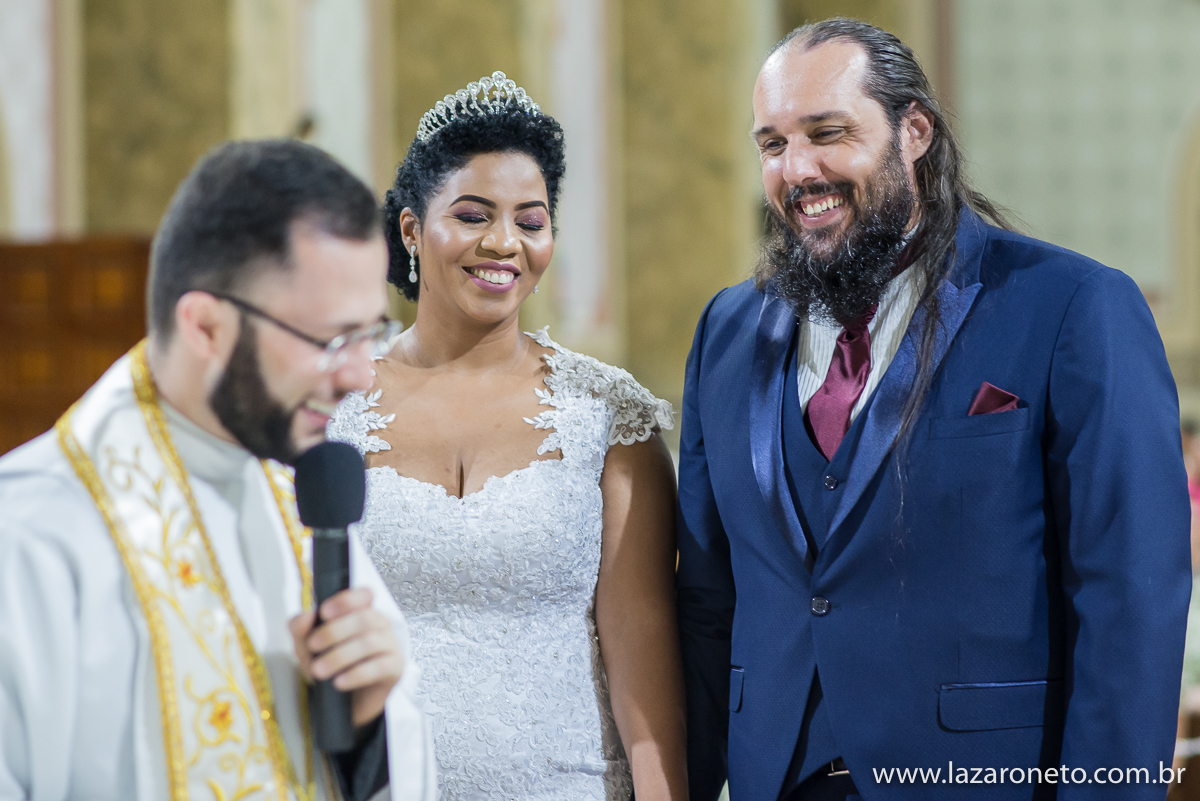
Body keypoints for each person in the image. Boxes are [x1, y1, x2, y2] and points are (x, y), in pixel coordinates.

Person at [676, 18, 1191, 801]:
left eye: (828, 133)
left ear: (913, 131)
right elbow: (710, 601)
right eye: (773, 144)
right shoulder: (727, 328)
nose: (797, 169)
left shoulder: (1074, 306)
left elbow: (1130, 599)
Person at [0, 140, 436, 801]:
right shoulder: (30, 539)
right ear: (206, 326)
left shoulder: (301, 497)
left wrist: (369, 728)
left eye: (371, 334)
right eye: (330, 341)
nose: (358, 374)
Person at [327, 72, 687, 799]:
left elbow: (642, 654)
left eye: (531, 220)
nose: (504, 243)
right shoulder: (329, 407)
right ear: (409, 229)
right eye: (472, 215)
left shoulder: (607, 416)